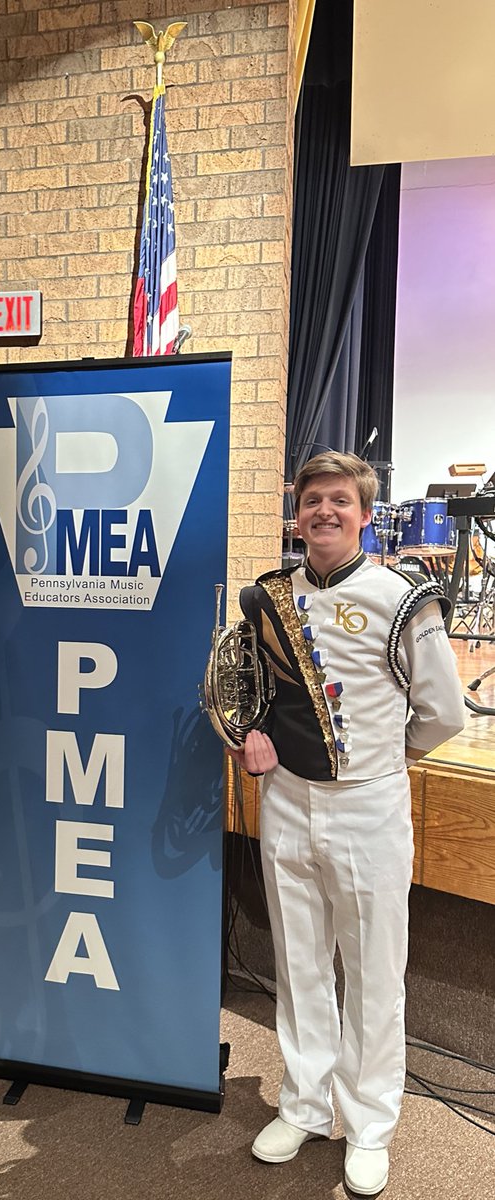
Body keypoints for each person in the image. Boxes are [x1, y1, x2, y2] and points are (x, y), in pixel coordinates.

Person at [234, 452, 465, 1196]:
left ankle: (369, 1126)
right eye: (312, 501)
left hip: (369, 804)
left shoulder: (402, 598)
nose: (324, 511)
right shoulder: (268, 598)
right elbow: (246, 690)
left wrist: (384, 759)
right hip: (287, 800)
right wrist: (249, 733)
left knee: (372, 973)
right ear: (296, 515)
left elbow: (444, 712)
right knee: (299, 963)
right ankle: (303, 1106)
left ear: (366, 514)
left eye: (340, 500)